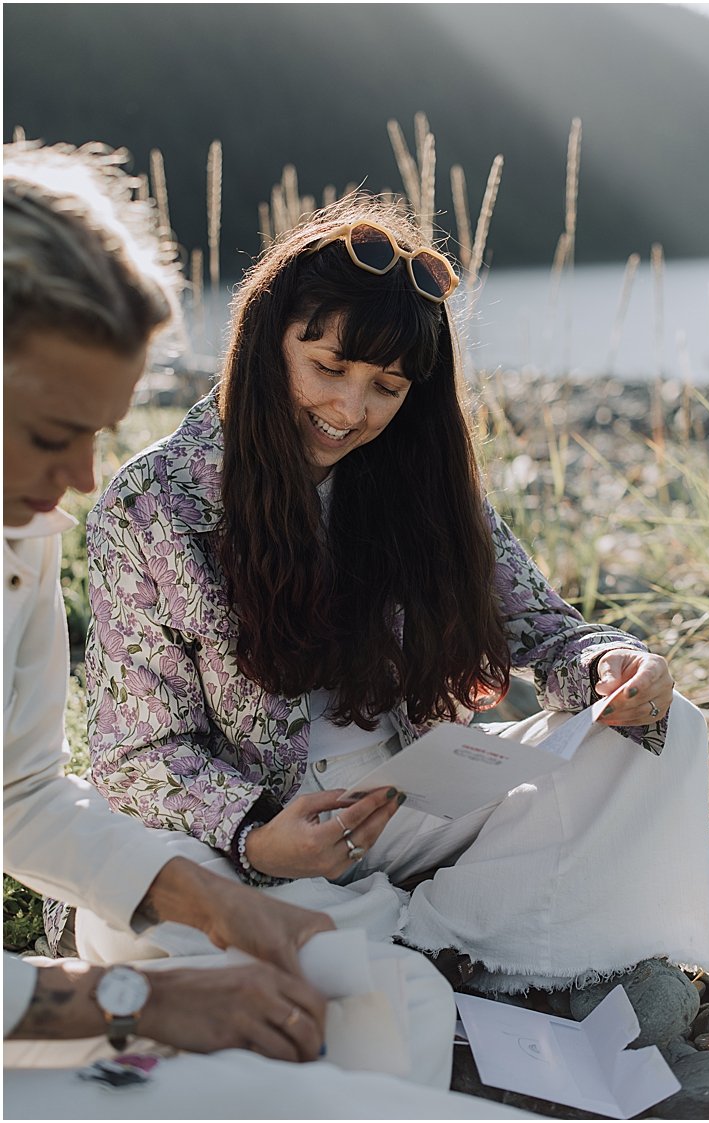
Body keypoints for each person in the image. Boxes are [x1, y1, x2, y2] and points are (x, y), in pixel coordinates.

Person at [74, 195, 709, 993]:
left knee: (665, 731)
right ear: (265, 342)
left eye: (386, 385)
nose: (351, 409)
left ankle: (416, 940)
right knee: (130, 914)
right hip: (258, 829)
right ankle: (442, 943)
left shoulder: (422, 484)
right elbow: (137, 752)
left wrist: (612, 666)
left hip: (410, 804)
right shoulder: (153, 506)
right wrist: (253, 836)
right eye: (328, 368)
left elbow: (546, 629)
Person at [3, 141, 509, 1113]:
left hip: (248, 871)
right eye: (50, 434)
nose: (78, 481)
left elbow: (20, 798)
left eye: (96, 435)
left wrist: (228, 913)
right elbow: (132, 759)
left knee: (370, 1013)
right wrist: (137, 998)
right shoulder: (151, 505)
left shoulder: (21, 536)